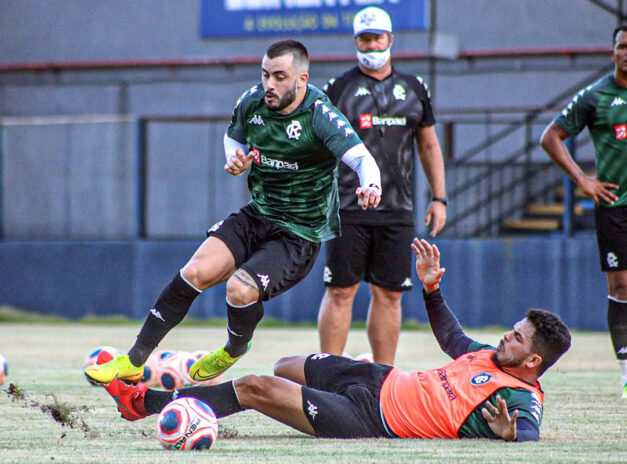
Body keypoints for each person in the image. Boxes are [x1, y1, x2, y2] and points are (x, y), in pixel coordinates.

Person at [85, 39, 382, 385]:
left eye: (280, 77)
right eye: (265, 74)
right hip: (258, 214)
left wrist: (370, 186)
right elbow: (234, 138)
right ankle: (134, 360)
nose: (270, 84)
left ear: (302, 79)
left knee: (239, 290)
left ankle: (234, 348)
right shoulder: (251, 101)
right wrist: (236, 157)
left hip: (299, 234)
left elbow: (361, 158)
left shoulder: (320, 115)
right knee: (194, 271)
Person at [97, 238, 571, 442]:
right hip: (377, 377)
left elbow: (528, 435)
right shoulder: (488, 356)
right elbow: (451, 336)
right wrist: (431, 287)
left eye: (517, 337)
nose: (506, 336)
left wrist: (511, 439)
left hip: (373, 418)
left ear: (532, 360)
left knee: (258, 387)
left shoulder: (520, 396)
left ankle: (148, 404)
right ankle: (293, 398)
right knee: (286, 366)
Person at [540, 23, 627, 400]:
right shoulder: (595, 97)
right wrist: (583, 179)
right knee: (624, 288)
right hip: (616, 208)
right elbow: (551, 137)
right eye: (622, 46)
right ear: (612, 52)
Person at [318, 6, 447, 365]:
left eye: (377, 37)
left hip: (397, 208)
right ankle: (327, 373)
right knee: (341, 290)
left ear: (391, 39)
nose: (371, 44)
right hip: (347, 207)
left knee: (390, 294)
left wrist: (440, 198)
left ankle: (383, 378)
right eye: (364, 38)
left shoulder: (414, 87)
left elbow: (429, 145)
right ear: (355, 42)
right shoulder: (338, 88)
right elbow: (320, 143)